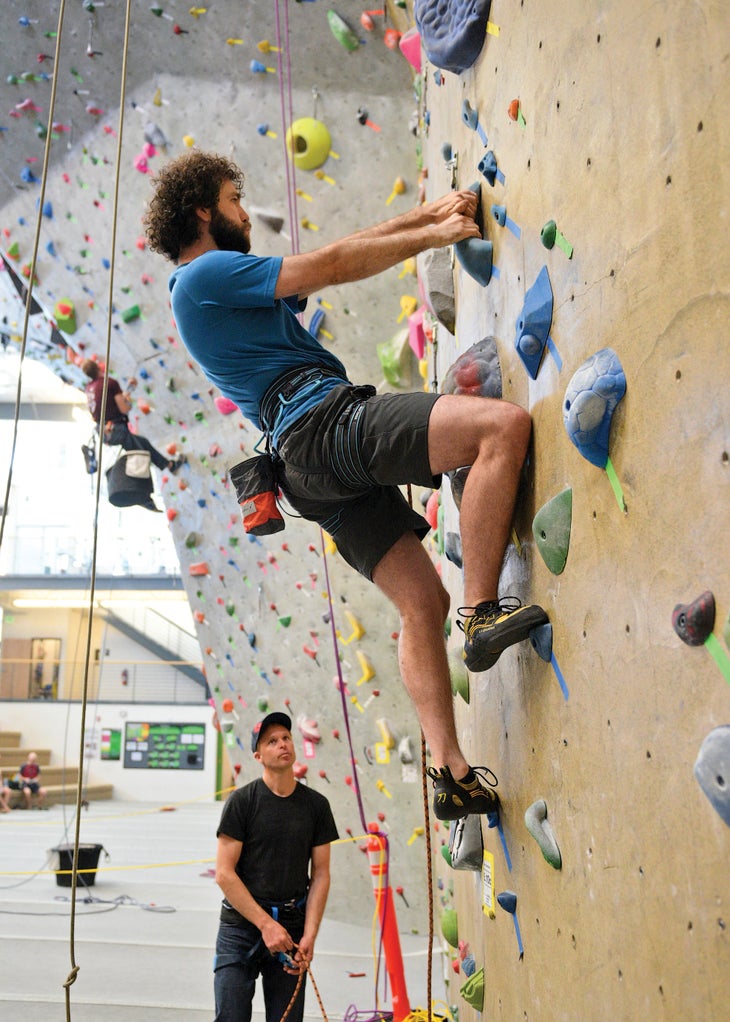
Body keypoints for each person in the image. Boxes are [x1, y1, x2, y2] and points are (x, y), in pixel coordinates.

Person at [144, 150, 548, 823]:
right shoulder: (204, 275)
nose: (245, 213)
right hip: (324, 426)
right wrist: (437, 235)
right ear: (202, 213)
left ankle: (450, 774)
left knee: (420, 602)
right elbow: (329, 267)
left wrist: (431, 213)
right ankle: (483, 610)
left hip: (305, 471)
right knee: (499, 430)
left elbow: (338, 252)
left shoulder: (216, 292)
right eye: (234, 200)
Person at [213, 711, 338, 1022]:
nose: (283, 744)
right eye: (272, 741)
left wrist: (310, 935)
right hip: (240, 926)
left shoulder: (316, 806)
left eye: (286, 738)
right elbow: (224, 874)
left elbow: (321, 874)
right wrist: (265, 925)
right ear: (258, 755)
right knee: (230, 1017)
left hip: (292, 927)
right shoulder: (242, 802)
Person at [81, 359, 185, 475]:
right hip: (115, 429)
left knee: (141, 445)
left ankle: (169, 466)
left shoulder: (89, 388)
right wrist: (129, 403)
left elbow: (111, 403)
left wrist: (129, 389)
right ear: (98, 366)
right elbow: (124, 409)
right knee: (141, 450)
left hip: (104, 431)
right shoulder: (109, 383)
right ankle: (167, 467)